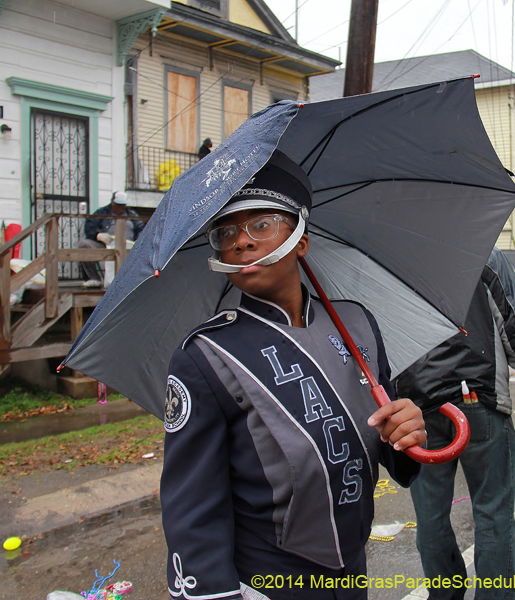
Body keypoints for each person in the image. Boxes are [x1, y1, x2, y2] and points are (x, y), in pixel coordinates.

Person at [160, 150, 424, 600]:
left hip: (353, 572)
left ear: (300, 240)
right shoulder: (206, 355)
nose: (242, 242)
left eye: (261, 225)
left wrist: (408, 430)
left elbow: (393, 456)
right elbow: (192, 507)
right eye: (226, 233)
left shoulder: (357, 324)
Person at [394, 248, 515, 600]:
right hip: (478, 397)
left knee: (430, 515)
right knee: (493, 512)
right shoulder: (480, 251)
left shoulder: (390, 253)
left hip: (417, 403)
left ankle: (444, 593)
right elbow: (514, 324)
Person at [78, 191, 144, 287]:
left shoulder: (132, 214)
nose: (121, 208)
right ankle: (93, 278)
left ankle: (136, 280)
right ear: (112, 203)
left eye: (123, 205)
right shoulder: (102, 212)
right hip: (107, 244)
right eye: (118, 205)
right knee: (84, 245)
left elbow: (141, 228)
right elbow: (90, 226)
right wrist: (98, 235)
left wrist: (139, 240)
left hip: (129, 246)